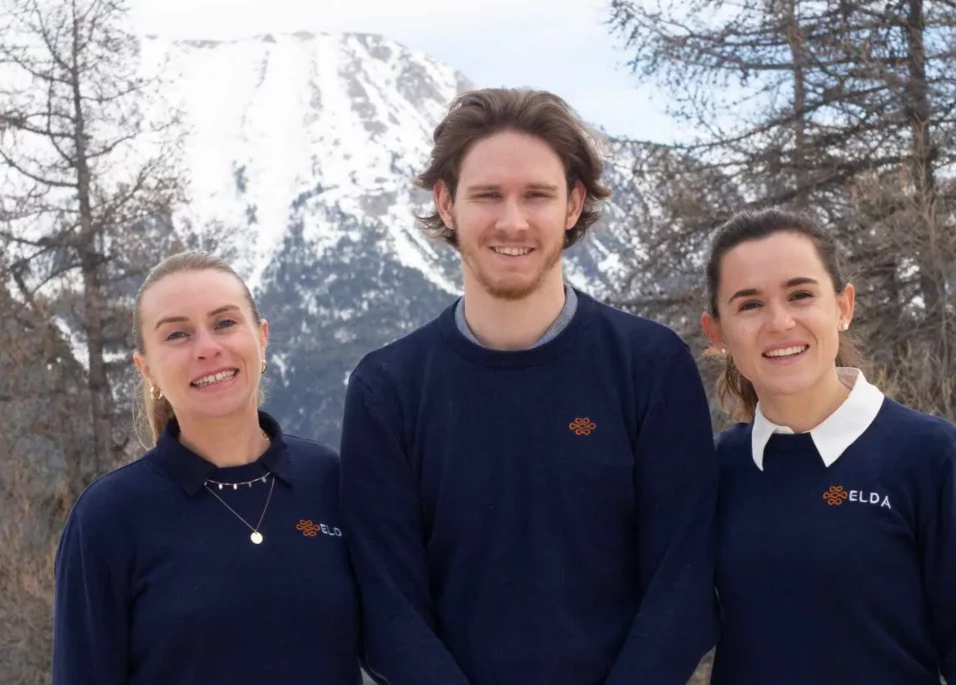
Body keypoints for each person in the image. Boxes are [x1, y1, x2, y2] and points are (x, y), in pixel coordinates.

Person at [339, 87, 719, 685]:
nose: (511, 220)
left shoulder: (650, 367)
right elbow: (387, 611)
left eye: (536, 195)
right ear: (446, 203)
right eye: (487, 195)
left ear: (572, 204)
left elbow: (684, 584)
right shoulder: (387, 389)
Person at [701, 208, 956, 684]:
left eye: (801, 294)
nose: (779, 321)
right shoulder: (717, 467)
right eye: (749, 304)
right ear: (717, 333)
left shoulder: (930, 455)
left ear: (843, 306)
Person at [52, 251, 362, 685]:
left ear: (262, 337)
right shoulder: (107, 518)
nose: (208, 348)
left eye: (224, 323)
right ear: (147, 369)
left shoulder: (329, 478)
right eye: (178, 334)